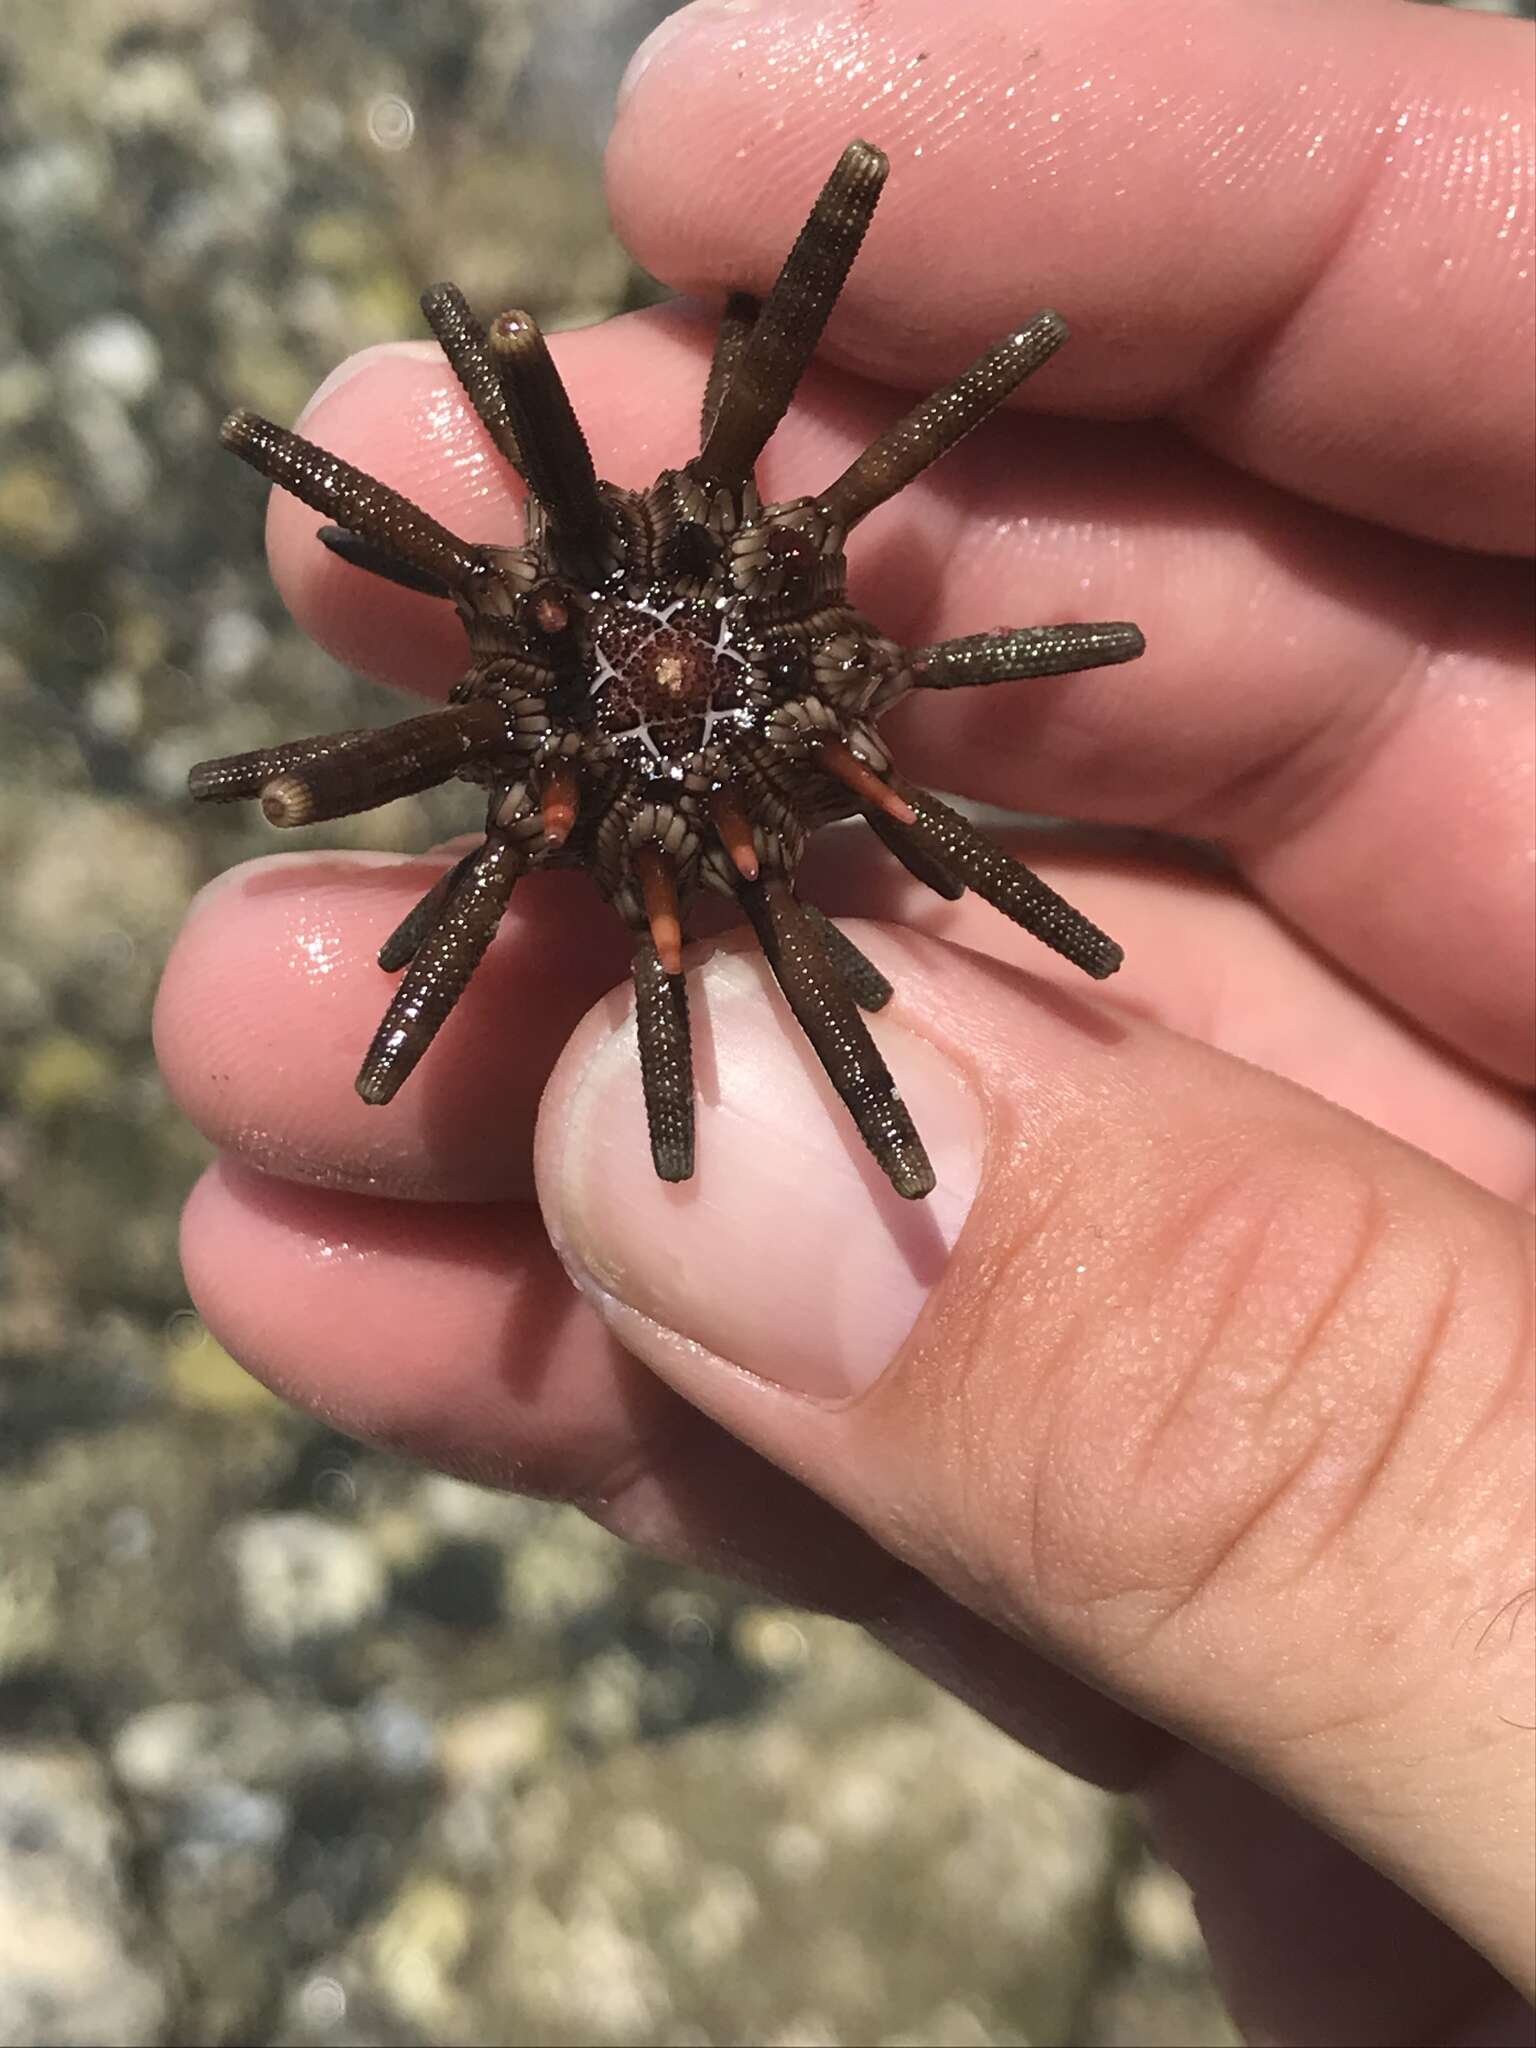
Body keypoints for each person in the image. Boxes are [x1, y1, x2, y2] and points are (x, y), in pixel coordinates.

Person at [155, 0, 1535, 2035]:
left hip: (736, 773)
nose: (654, 663)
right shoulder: (641, 667)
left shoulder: (713, 673)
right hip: (696, 774)